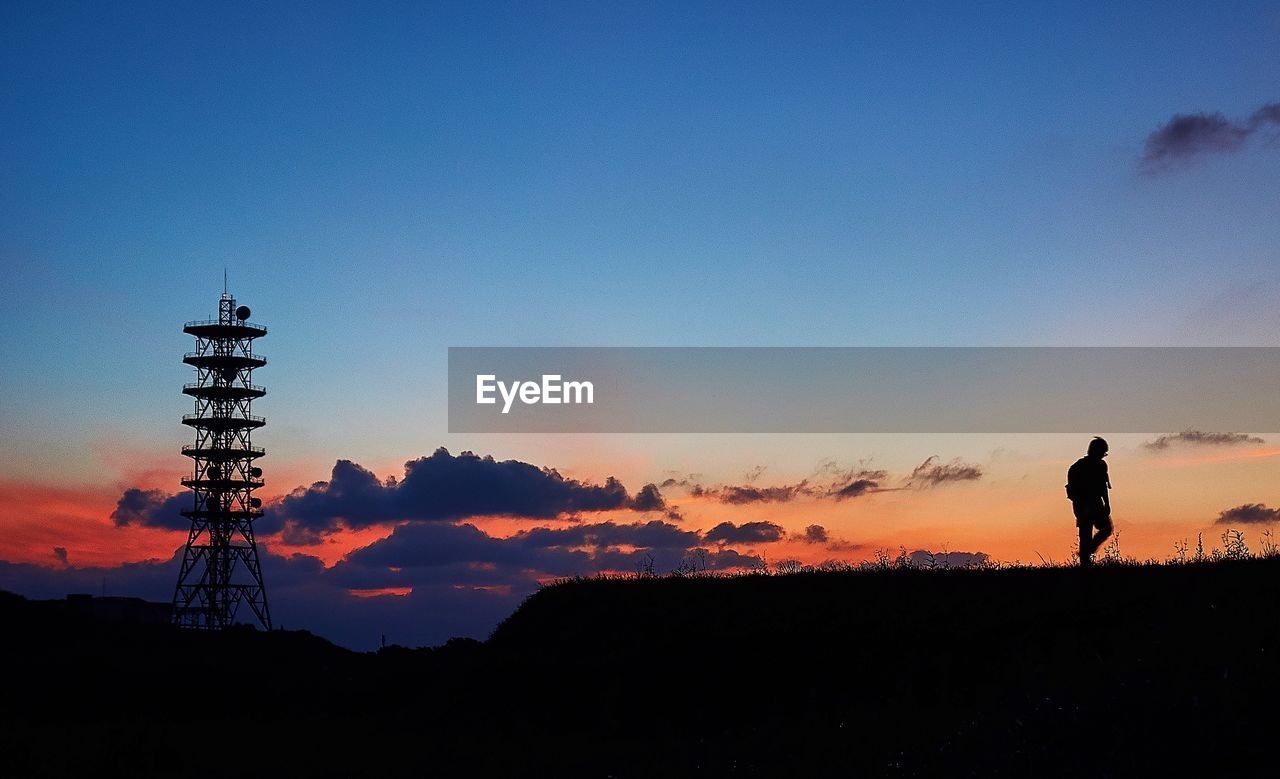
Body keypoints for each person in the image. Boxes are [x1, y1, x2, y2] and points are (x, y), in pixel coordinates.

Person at [1066, 437, 1112, 566]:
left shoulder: (1101, 466)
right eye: (1103, 453)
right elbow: (1072, 490)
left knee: (1105, 529)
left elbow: (1103, 486)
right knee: (1086, 533)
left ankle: (1087, 552)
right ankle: (1085, 563)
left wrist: (1107, 504)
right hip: (1083, 504)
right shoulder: (1077, 467)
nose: (1103, 456)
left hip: (1095, 503)